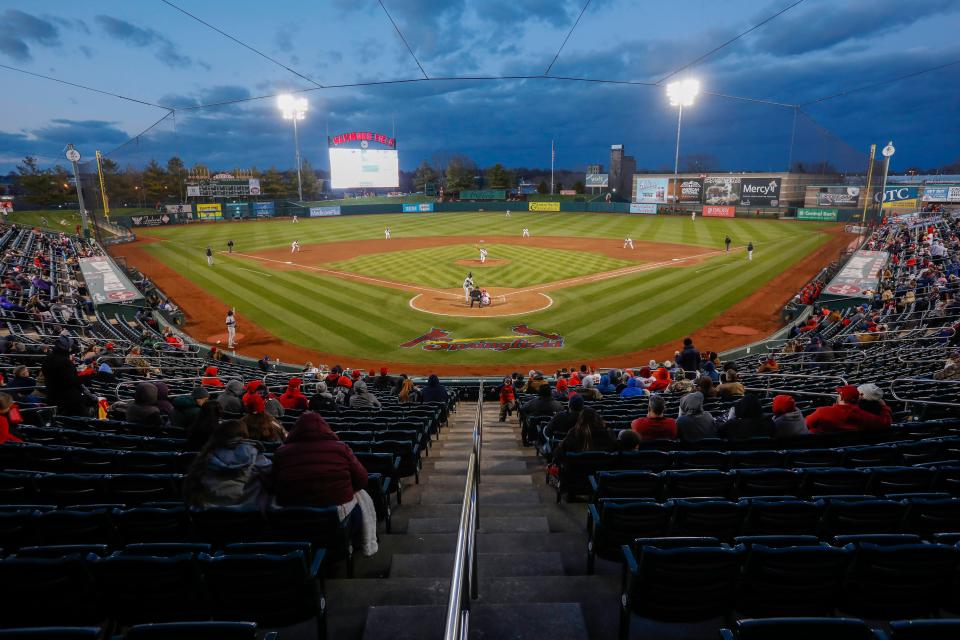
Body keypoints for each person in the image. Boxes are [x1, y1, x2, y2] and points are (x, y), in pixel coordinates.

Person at [271, 412, 368, 510]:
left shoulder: (281, 452)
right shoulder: (341, 448)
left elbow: (273, 484)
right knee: (362, 495)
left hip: (292, 515)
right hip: (337, 512)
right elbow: (362, 479)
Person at [183, 419, 272, 509]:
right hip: (246, 513)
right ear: (244, 434)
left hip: (207, 516)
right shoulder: (253, 453)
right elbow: (271, 472)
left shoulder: (206, 456)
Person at [805, 385, 892, 433]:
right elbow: (885, 422)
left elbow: (806, 424)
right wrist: (884, 407)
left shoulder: (822, 411)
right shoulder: (863, 415)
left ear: (842, 398)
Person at [41, 335, 91, 417]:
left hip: (52, 395)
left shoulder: (47, 358)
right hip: (68, 399)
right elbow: (71, 381)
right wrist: (87, 377)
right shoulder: (65, 362)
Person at [552, 408, 616, 462]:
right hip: (603, 472)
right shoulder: (609, 433)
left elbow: (558, 453)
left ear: (580, 420)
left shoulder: (574, 433)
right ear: (598, 419)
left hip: (575, 474)